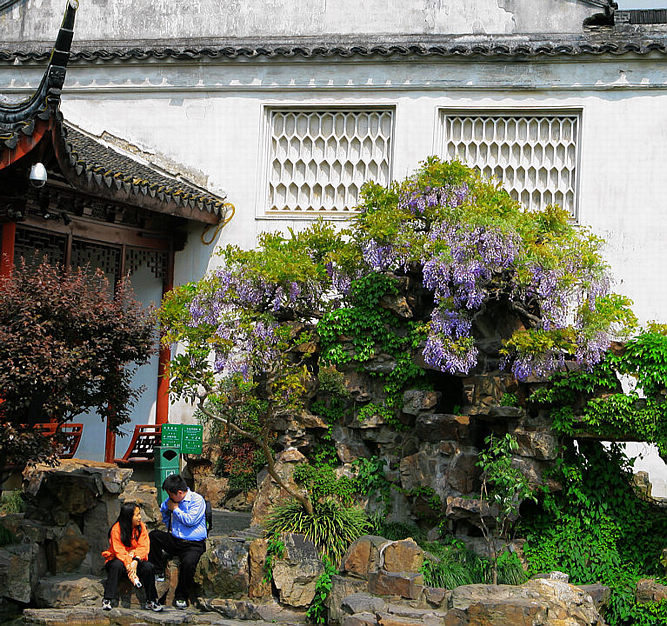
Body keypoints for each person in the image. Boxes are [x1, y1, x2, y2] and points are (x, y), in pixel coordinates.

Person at [149, 474, 207, 609]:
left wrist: (175, 509)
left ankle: (181, 595)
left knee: (188, 563)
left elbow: (190, 521)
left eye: (171, 495)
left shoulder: (197, 500)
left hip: (193, 543)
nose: (169, 498)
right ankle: (158, 571)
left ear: (180, 493)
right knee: (154, 536)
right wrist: (167, 514)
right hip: (175, 539)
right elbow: (164, 509)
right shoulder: (171, 500)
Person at [101, 502, 162, 612]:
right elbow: (119, 551)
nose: (140, 517)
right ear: (129, 516)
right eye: (137, 515)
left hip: (135, 561)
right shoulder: (116, 529)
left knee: (149, 567)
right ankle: (107, 598)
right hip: (120, 561)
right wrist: (130, 565)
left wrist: (136, 561)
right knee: (116, 565)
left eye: (139, 514)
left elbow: (144, 547)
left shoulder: (141, 527)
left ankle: (151, 600)